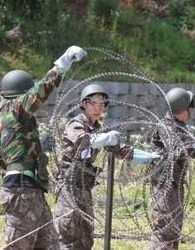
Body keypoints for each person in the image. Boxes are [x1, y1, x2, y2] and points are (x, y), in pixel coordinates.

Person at [0, 45, 86, 250]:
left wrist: (33, 150)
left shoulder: (7, 119)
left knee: (49, 246)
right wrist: (62, 63)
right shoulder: (16, 109)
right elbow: (40, 91)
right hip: (21, 193)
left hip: (30, 189)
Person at [54, 83, 160, 250]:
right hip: (68, 187)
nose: (99, 108)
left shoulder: (98, 128)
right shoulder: (75, 124)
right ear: (84, 104)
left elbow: (120, 150)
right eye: (94, 103)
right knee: (68, 233)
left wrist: (148, 157)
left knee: (85, 235)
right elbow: (82, 141)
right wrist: (105, 138)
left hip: (84, 187)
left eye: (102, 104)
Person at [149, 87, 195, 249]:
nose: (192, 109)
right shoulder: (166, 125)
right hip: (165, 184)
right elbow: (178, 149)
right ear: (183, 107)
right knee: (165, 229)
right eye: (190, 105)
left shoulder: (179, 125)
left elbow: (190, 149)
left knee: (173, 228)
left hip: (174, 183)